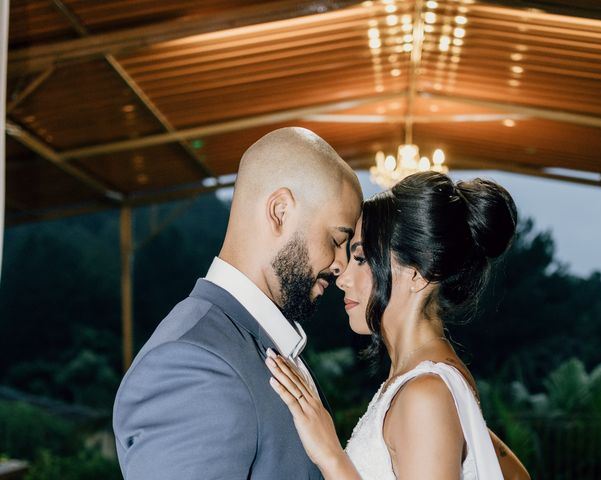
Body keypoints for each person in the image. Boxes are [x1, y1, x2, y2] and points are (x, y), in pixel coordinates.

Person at [112, 127, 363, 479]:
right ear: (279, 211)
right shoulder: (191, 366)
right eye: (337, 239)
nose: (341, 264)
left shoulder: (263, 343)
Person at [266, 171, 531, 479]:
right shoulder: (431, 383)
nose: (343, 278)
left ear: (418, 273)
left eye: (362, 258)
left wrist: (331, 457)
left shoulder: (426, 394)